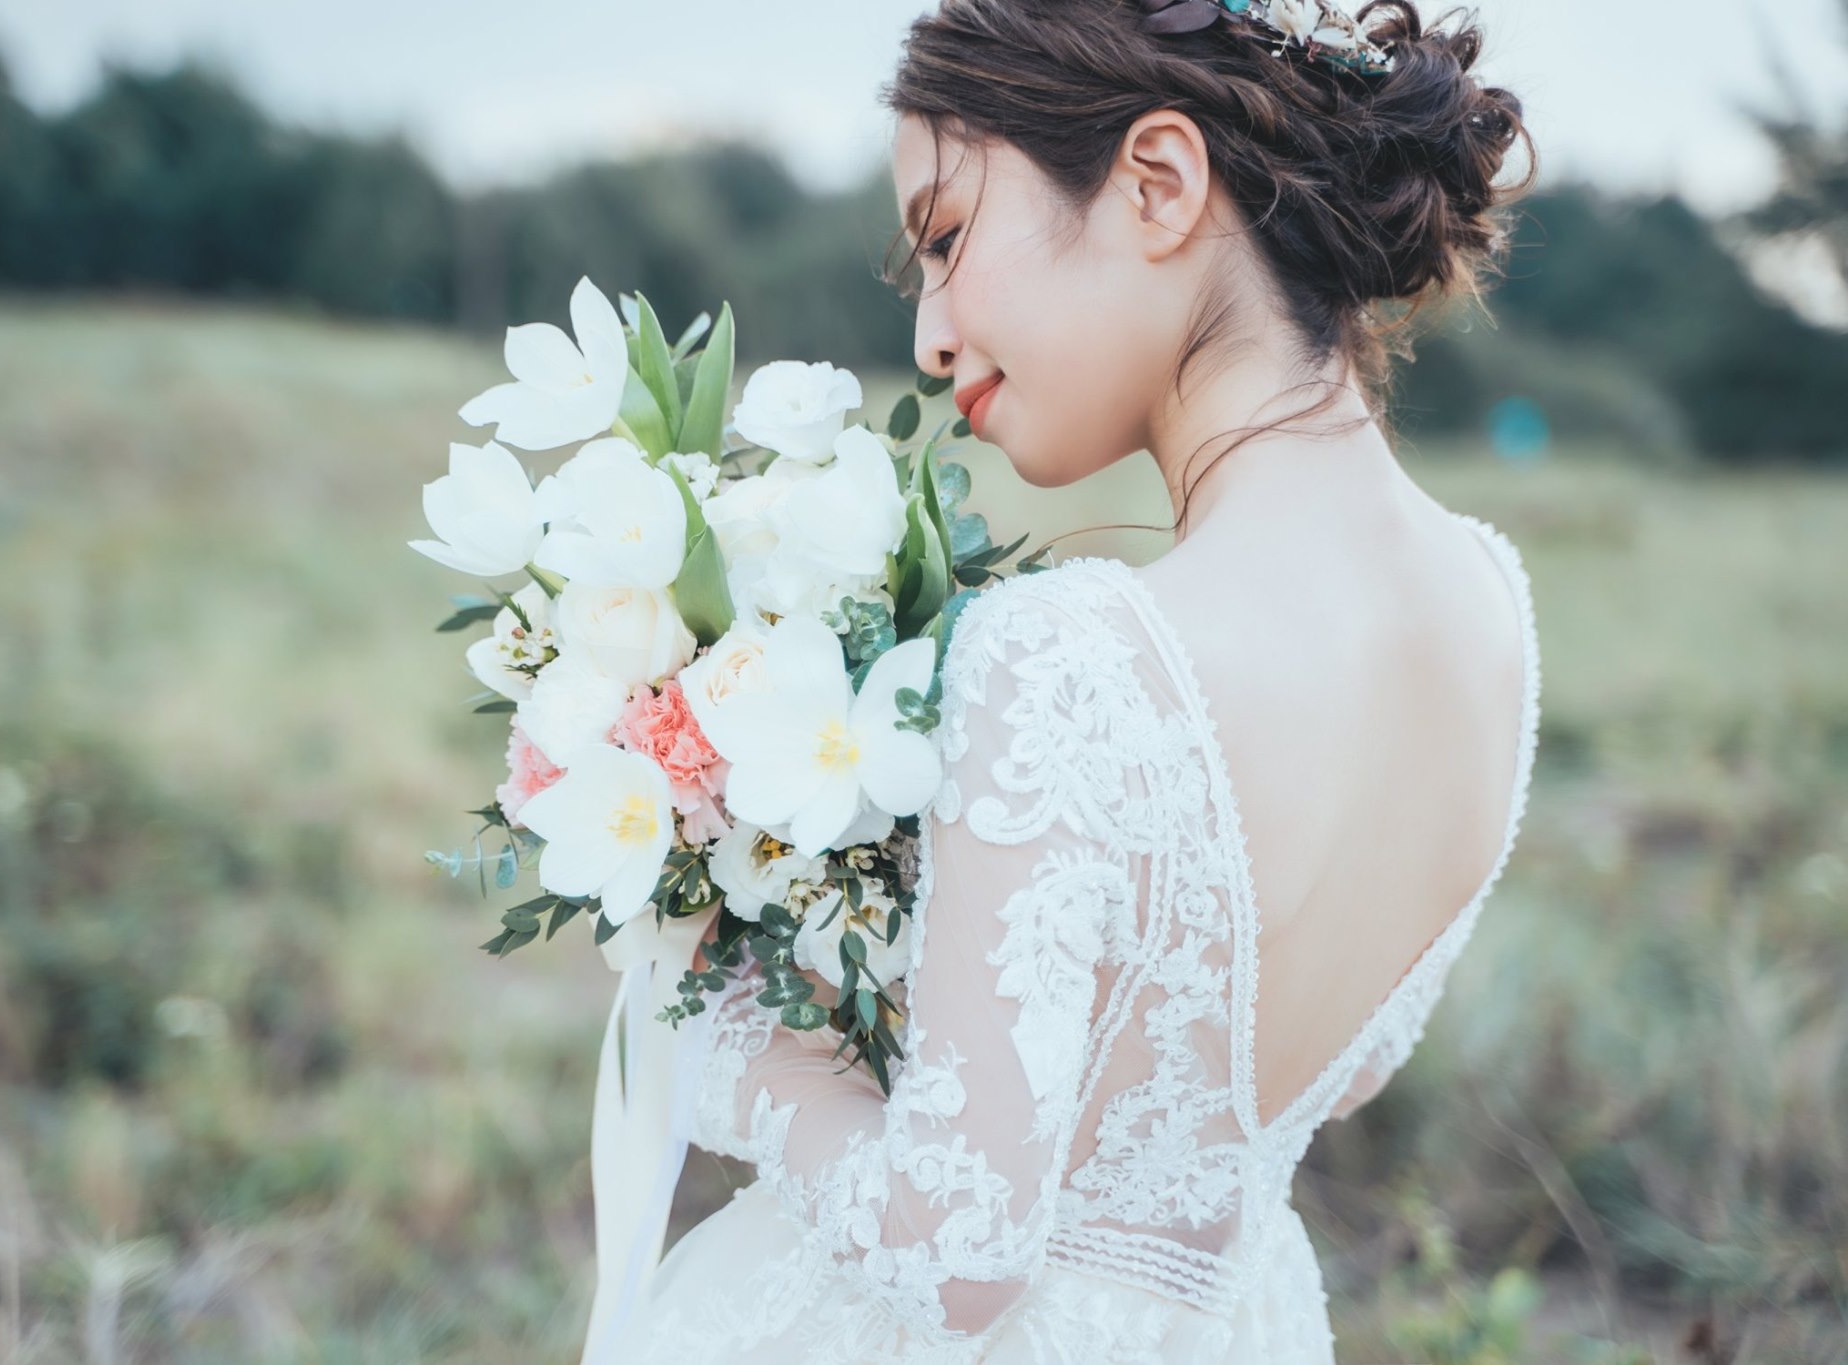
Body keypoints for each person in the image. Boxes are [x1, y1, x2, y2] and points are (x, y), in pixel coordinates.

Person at [617, 0, 1541, 1359]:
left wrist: (720, 1018)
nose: (931, 336)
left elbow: (958, 1255)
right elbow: (1338, 1077)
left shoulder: (1076, 653)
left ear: (1159, 183)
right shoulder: (1496, 613)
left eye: (945, 236)